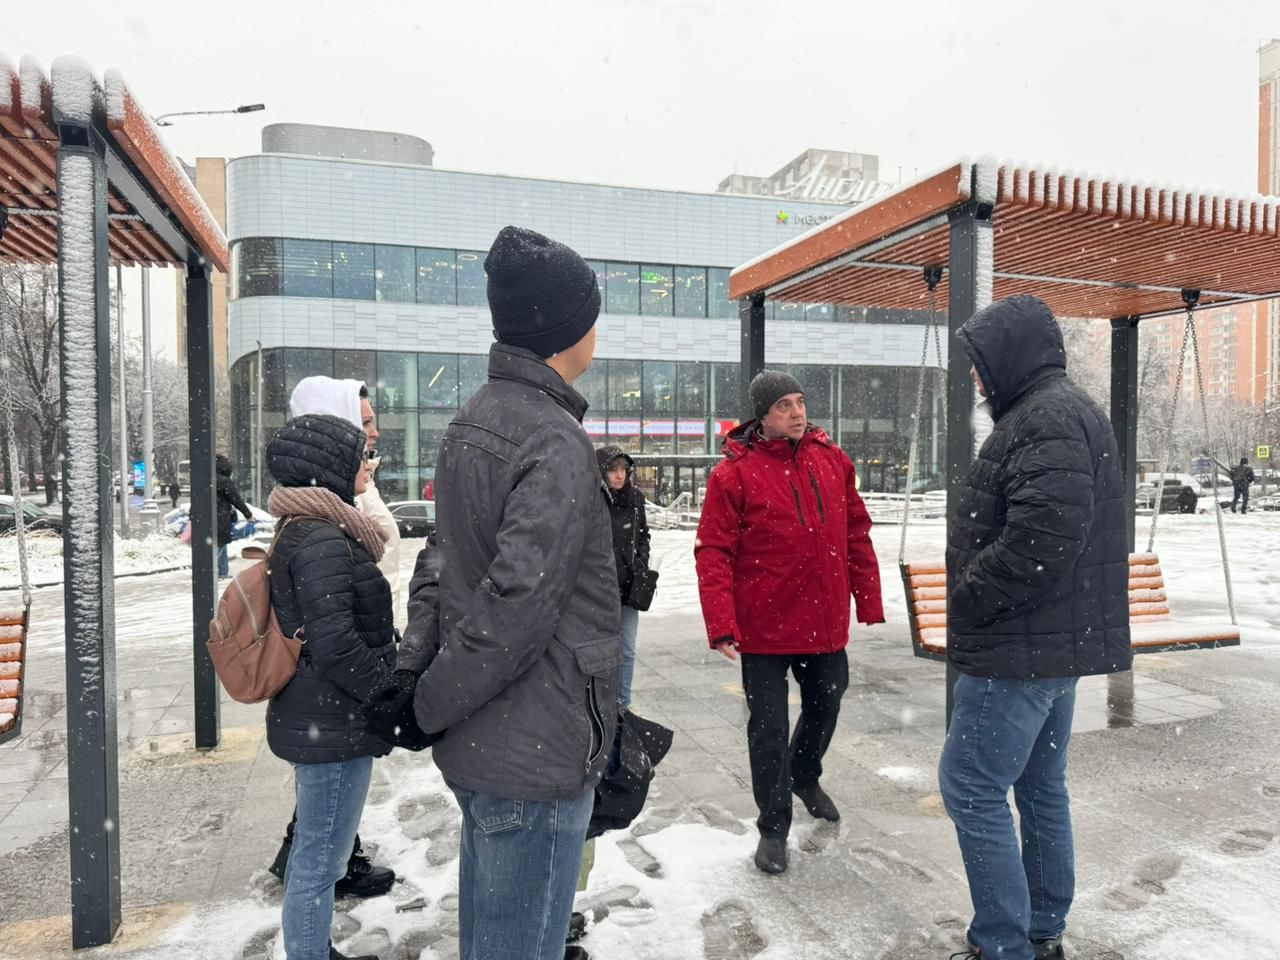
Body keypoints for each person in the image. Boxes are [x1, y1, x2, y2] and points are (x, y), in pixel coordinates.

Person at [390, 225, 621, 960]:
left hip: (490, 740)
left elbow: (441, 559)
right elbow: (517, 606)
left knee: (498, 937)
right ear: (565, 329)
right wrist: (423, 701)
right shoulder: (553, 438)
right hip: (536, 744)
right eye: (592, 313)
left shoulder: (475, 419)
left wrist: (416, 676)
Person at [940, 295, 1131, 960]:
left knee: (971, 784)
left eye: (978, 362)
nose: (974, 376)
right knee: (1040, 785)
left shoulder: (1042, 419)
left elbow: (1041, 538)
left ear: (1008, 356)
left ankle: (1004, 944)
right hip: (1052, 643)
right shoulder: (1058, 411)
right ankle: (1041, 928)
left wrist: (971, 594)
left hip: (1017, 649)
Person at [695, 370, 883, 876]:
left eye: (800, 402)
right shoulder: (732, 474)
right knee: (769, 729)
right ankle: (773, 827)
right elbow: (713, 551)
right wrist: (721, 622)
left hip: (822, 621)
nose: (798, 413)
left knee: (827, 702)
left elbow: (856, 531)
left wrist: (867, 597)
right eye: (784, 406)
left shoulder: (832, 460)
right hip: (764, 626)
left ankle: (805, 773)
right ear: (763, 416)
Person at [265, 376, 402, 899]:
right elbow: (336, 641)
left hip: (330, 712)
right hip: (333, 712)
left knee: (322, 847)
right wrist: (388, 693)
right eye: (362, 436)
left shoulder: (319, 524)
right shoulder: (323, 533)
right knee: (319, 863)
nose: (371, 451)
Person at [597, 446, 651, 709]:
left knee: (627, 650)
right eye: (613, 470)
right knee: (600, 651)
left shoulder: (635, 499)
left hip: (629, 588)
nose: (619, 476)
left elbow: (643, 535)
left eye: (623, 470)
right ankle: (600, 703)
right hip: (599, 590)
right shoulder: (594, 500)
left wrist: (641, 563)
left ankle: (622, 704)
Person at [215, 454, 252, 579]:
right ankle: (216, 572)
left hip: (206, 518)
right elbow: (235, 499)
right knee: (220, 545)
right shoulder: (224, 480)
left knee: (220, 545)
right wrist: (248, 514)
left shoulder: (205, 478)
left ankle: (222, 572)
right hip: (220, 518)